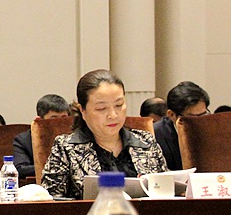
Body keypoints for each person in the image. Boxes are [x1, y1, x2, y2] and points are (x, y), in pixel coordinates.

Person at [41, 69, 167, 199]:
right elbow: (50, 202)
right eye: (101, 108)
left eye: (119, 105)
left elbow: (166, 191)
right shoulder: (65, 147)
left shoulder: (146, 142)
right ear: (83, 110)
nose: (113, 115)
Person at [154, 81, 210, 171]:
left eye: (203, 115)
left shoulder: (214, 130)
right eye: (192, 118)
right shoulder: (155, 135)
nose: (199, 121)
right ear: (171, 115)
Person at [13, 94, 70, 180]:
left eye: (64, 118)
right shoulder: (23, 140)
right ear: (40, 120)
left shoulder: (73, 137)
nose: (60, 123)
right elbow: (20, 169)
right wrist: (53, 166)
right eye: (54, 119)